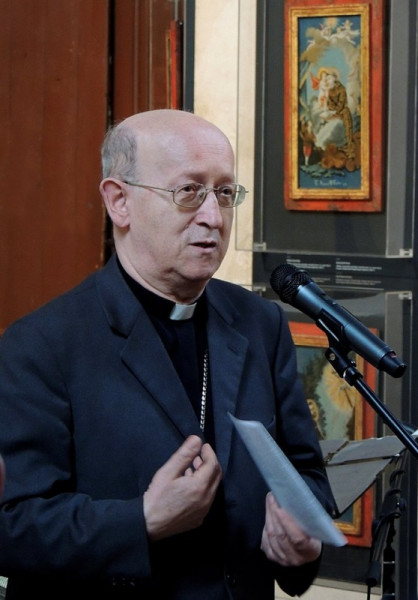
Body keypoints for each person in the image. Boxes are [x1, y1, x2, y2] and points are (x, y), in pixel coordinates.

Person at [0, 109, 337, 599]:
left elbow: (304, 476)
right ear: (119, 201)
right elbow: (12, 525)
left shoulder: (259, 323)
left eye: (225, 193)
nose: (213, 217)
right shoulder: (42, 344)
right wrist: (140, 521)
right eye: (189, 192)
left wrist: (303, 542)